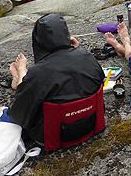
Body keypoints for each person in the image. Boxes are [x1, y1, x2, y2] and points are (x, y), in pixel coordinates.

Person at [7, 14, 104, 144]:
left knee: (27, 93)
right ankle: (21, 79)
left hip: (54, 136)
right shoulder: (87, 56)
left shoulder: (38, 73)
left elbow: (19, 114)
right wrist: (77, 51)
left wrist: (22, 71)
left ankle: (20, 76)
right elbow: (100, 79)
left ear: (38, 41)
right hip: (90, 124)